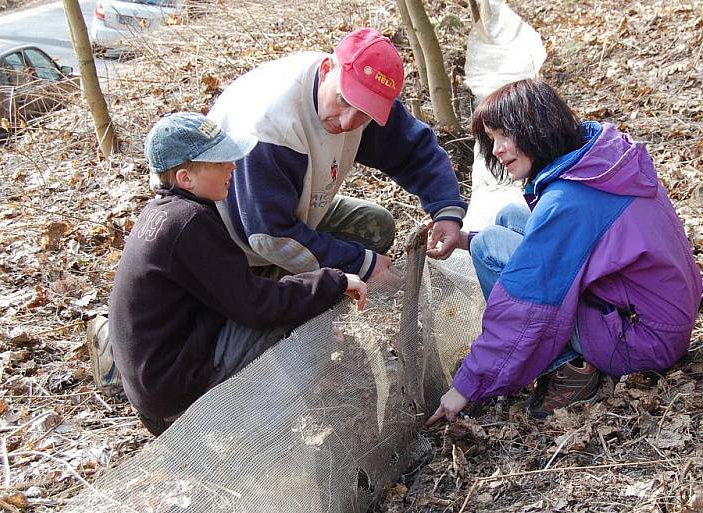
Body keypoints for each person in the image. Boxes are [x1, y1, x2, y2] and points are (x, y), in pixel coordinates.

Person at [426, 79, 702, 423]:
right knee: (508, 218)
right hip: (661, 319)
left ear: (535, 128)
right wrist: (462, 239)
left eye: (504, 135)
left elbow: (524, 302)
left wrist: (466, 386)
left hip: (639, 339)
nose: (496, 149)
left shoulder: (568, 202)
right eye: (492, 139)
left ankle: (569, 368)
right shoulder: (600, 161)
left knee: (488, 247)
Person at [88, 112, 366, 436]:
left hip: (154, 382)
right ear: (185, 178)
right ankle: (263, 434)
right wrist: (335, 281)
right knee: (286, 317)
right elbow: (257, 306)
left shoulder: (162, 213)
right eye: (219, 162)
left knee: (289, 297)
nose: (232, 166)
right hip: (174, 389)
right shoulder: (188, 223)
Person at [207, 27, 465, 287]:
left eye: (364, 113)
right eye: (343, 100)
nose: (348, 122)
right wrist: (360, 265)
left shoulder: (362, 91)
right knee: (288, 311)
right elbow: (270, 236)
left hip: (292, 211)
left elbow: (414, 152)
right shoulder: (269, 128)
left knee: (375, 226)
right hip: (235, 244)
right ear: (327, 68)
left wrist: (446, 210)